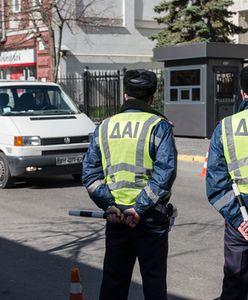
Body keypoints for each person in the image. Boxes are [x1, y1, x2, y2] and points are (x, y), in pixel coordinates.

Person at [82, 69, 177, 300]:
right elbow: (165, 173)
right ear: (152, 97)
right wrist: (140, 208)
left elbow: (90, 174)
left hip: (117, 217)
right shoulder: (158, 126)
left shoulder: (104, 127)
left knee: (114, 282)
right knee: (154, 283)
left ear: (125, 95)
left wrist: (109, 204)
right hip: (150, 217)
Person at [206, 66, 248, 300]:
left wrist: (239, 220)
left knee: (235, 282)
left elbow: (216, 183)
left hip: (240, 215)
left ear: (242, 93)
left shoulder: (226, 127)